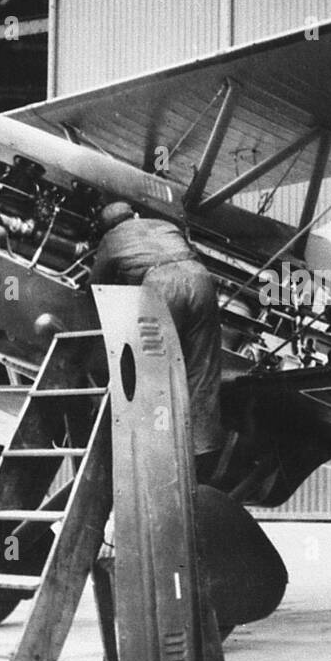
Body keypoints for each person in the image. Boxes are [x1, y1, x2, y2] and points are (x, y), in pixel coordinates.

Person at [92, 202, 224, 473]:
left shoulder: (111, 238)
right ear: (135, 215)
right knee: (203, 364)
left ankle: (156, 448)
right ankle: (203, 450)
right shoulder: (166, 226)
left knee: (153, 367)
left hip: (162, 285)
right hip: (200, 279)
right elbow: (191, 253)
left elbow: (96, 284)